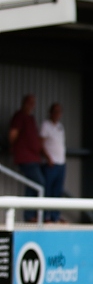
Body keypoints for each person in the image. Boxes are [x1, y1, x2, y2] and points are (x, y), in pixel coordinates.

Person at [8, 94, 44, 222]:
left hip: (34, 158)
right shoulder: (20, 116)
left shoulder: (31, 118)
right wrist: (13, 147)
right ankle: (30, 216)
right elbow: (13, 134)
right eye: (29, 102)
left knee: (32, 185)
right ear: (24, 103)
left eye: (33, 103)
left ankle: (30, 216)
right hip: (26, 158)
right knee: (38, 183)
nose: (31, 105)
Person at [39, 102, 66, 222]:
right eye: (55, 111)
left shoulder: (60, 126)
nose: (57, 114)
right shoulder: (46, 125)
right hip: (50, 164)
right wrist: (48, 158)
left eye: (59, 112)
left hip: (61, 164)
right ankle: (45, 216)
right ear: (50, 113)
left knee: (57, 191)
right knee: (47, 190)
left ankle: (55, 216)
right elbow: (41, 143)